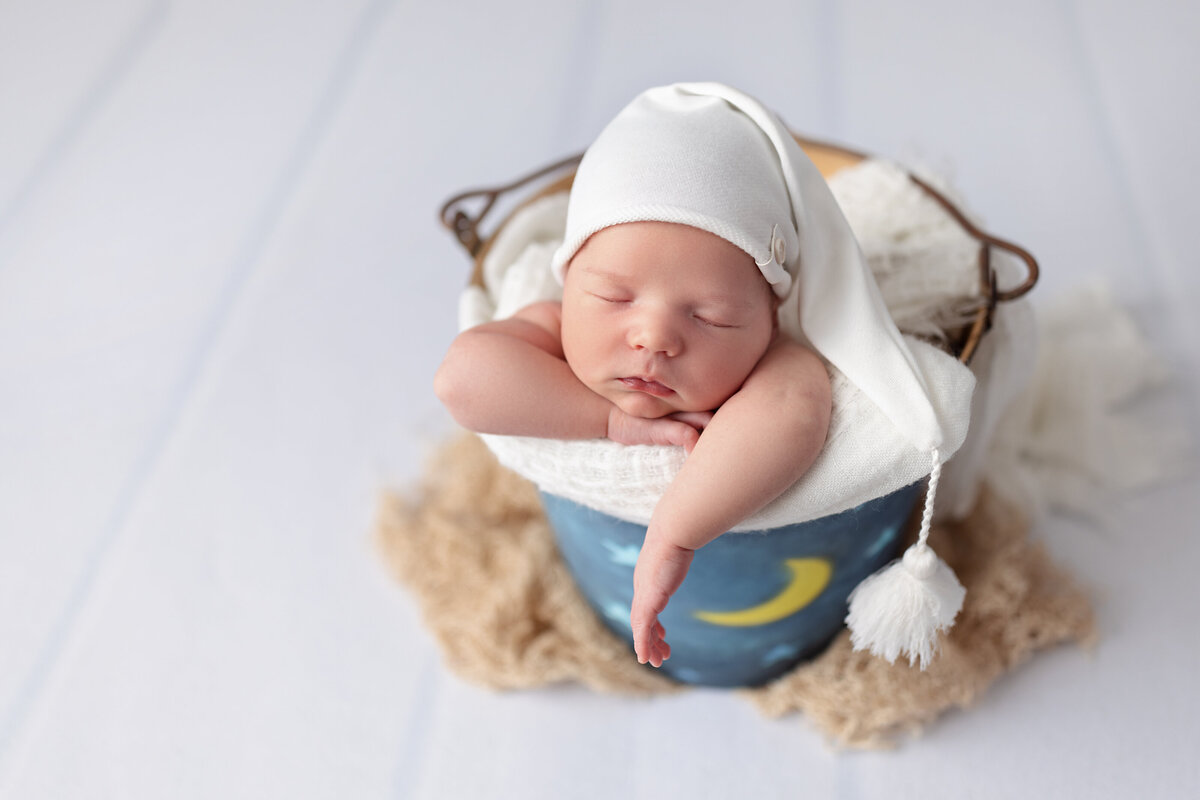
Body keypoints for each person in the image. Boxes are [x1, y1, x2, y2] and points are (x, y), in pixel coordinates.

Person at [435, 84, 834, 669]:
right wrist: (609, 420)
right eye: (613, 297)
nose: (654, 337)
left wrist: (673, 533)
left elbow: (795, 412)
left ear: (770, 320)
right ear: (569, 280)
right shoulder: (552, 325)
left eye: (711, 317)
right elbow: (461, 380)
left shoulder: (776, 361)